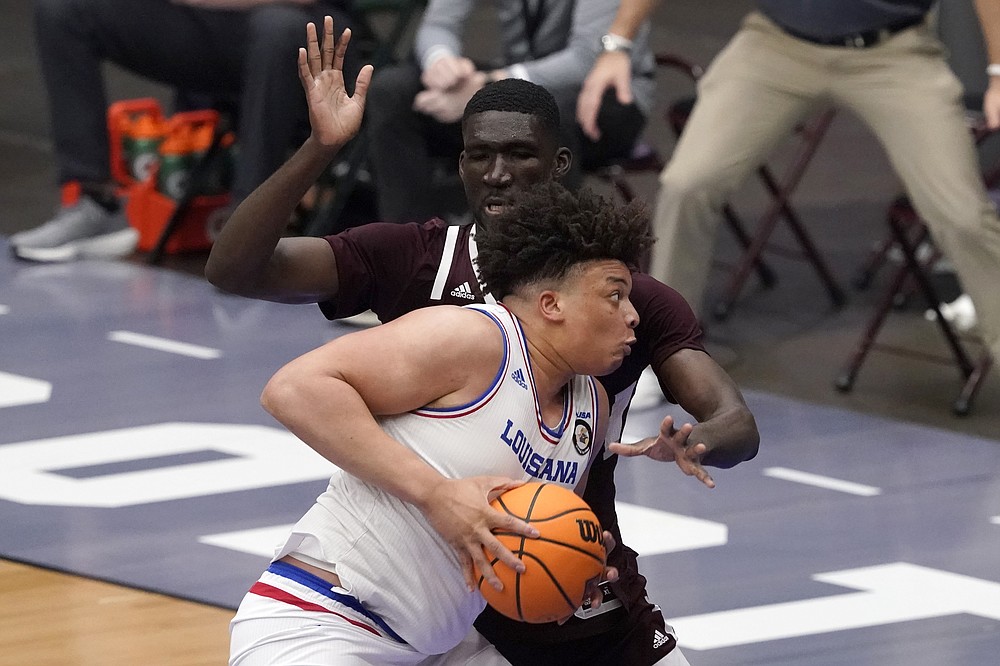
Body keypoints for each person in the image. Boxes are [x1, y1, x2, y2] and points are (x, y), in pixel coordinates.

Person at [208, 17, 759, 665]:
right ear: (547, 307)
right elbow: (244, 286)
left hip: (540, 565)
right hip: (376, 599)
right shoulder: (446, 297)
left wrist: (695, 440)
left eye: (518, 155)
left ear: (558, 164)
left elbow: (734, 422)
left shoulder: (600, 375)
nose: (497, 175)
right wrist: (320, 149)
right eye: (479, 156)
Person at [229, 179, 644, 664]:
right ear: (552, 304)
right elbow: (294, 389)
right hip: (323, 622)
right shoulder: (475, 338)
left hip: (437, 650)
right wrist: (435, 493)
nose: (633, 316)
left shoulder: (592, 407)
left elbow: (516, 541)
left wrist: (569, 568)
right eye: (615, 297)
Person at [577, 0, 1000, 364]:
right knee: (689, 184)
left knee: (962, 215)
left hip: (896, 52)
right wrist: (618, 44)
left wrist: (998, 70)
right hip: (777, 45)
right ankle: (661, 354)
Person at [9, 0, 360, 263]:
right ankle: (94, 202)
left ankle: (248, 232)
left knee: (278, 30)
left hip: (303, 23)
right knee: (64, 9)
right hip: (210, 23)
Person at [362, 0, 656, 223]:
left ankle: (536, 272)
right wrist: (442, 64)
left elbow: (587, 58)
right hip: (515, 80)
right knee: (393, 91)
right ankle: (413, 256)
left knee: (543, 116)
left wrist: (488, 87)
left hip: (606, 94)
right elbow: (438, 24)